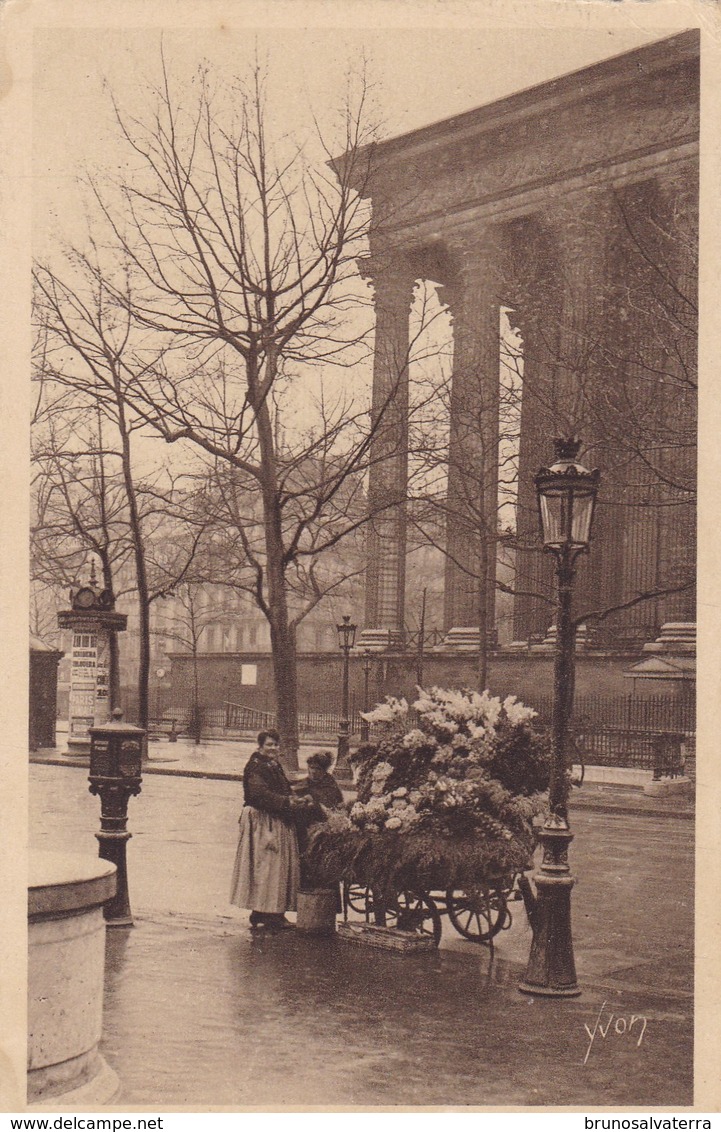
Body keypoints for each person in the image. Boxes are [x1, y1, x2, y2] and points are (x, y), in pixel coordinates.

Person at [230, 729, 313, 932]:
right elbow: (259, 794)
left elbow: (281, 788)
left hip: (274, 817)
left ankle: (263, 912)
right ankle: (271, 915)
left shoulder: (272, 764)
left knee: (271, 868)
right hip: (264, 821)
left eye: (276, 744)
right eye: (269, 744)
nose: (273, 748)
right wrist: (287, 802)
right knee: (269, 867)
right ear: (260, 746)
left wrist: (298, 793)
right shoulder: (256, 766)